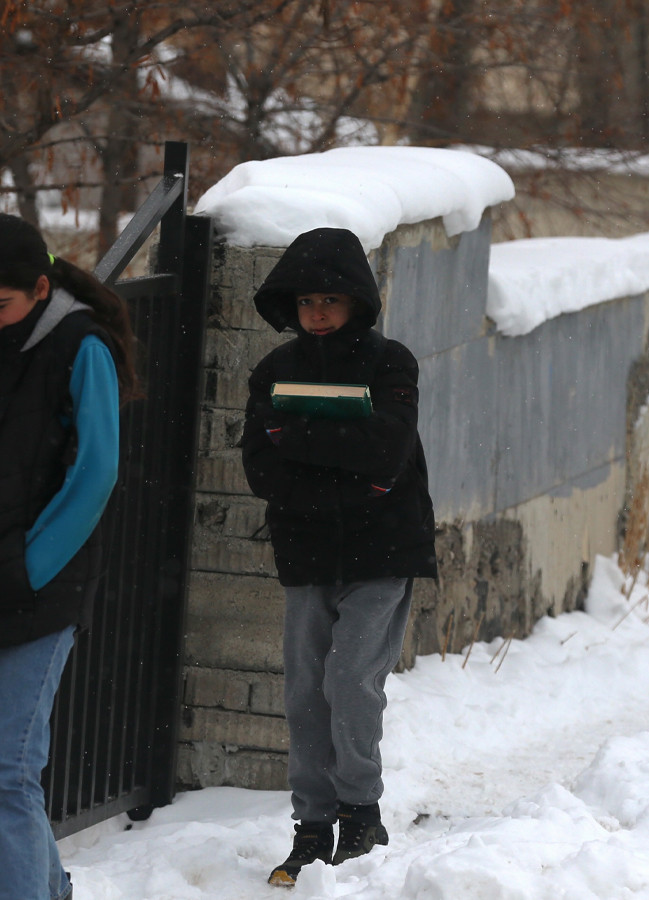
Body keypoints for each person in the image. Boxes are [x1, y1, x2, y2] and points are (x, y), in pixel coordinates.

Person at [0, 213, 138, 900]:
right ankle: (51, 889)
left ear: (40, 289)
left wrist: (28, 569)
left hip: (39, 594)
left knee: (7, 772)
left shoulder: (81, 346)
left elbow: (95, 471)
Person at [240, 227, 438, 887]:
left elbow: (386, 454)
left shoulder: (391, 365)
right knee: (303, 690)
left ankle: (361, 814)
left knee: (350, 681)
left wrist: (299, 439)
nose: (317, 312)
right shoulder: (273, 372)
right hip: (306, 552)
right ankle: (311, 827)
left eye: (330, 298)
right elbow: (263, 471)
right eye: (305, 301)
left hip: (384, 549)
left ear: (356, 300)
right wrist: (343, 470)